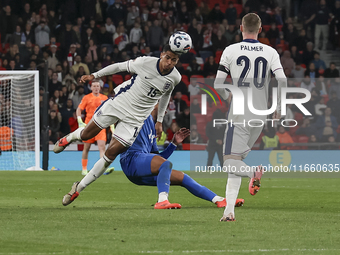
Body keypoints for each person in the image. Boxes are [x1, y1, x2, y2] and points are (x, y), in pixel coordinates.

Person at [54, 44, 183, 208]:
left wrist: (159, 121)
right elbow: (119, 67)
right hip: (119, 104)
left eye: (174, 60)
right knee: (86, 135)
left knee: (109, 156)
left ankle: (78, 188)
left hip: (135, 120)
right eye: (168, 58)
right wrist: (95, 75)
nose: (170, 62)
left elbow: (166, 95)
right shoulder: (145, 62)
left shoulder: (175, 77)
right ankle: (69, 138)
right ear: (162, 54)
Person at [214, 13, 287, 221]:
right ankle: (229, 211)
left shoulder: (231, 50)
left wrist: (228, 96)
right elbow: (282, 79)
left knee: (229, 162)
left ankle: (253, 172)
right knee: (236, 162)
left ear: (240, 27)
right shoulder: (270, 51)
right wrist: (279, 107)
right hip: (260, 114)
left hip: (239, 112)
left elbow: (218, 84)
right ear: (260, 29)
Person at [120, 106, 244, 209]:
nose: (166, 110)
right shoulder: (141, 114)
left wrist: (173, 144)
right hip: (131, 160)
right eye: (163, 105)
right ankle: (162, 200)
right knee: (165, 164)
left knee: (182, 177)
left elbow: (157, 158)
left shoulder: (153, 128)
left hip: (140, 168)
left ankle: (219, 200)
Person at [76, 81, 114, 176]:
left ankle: (103, 168)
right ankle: (84, 169)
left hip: (100, 126)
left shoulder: (104, 98)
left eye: (97, 86)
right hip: (89, 126)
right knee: (86, 148)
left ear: (100, 88)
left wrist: (112, 126)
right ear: (91, 88)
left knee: (102, 148)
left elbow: (109, 112)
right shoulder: (86, 97)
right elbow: (79, 109)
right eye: (94, 86)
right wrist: (79, 120)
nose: (96, 88)